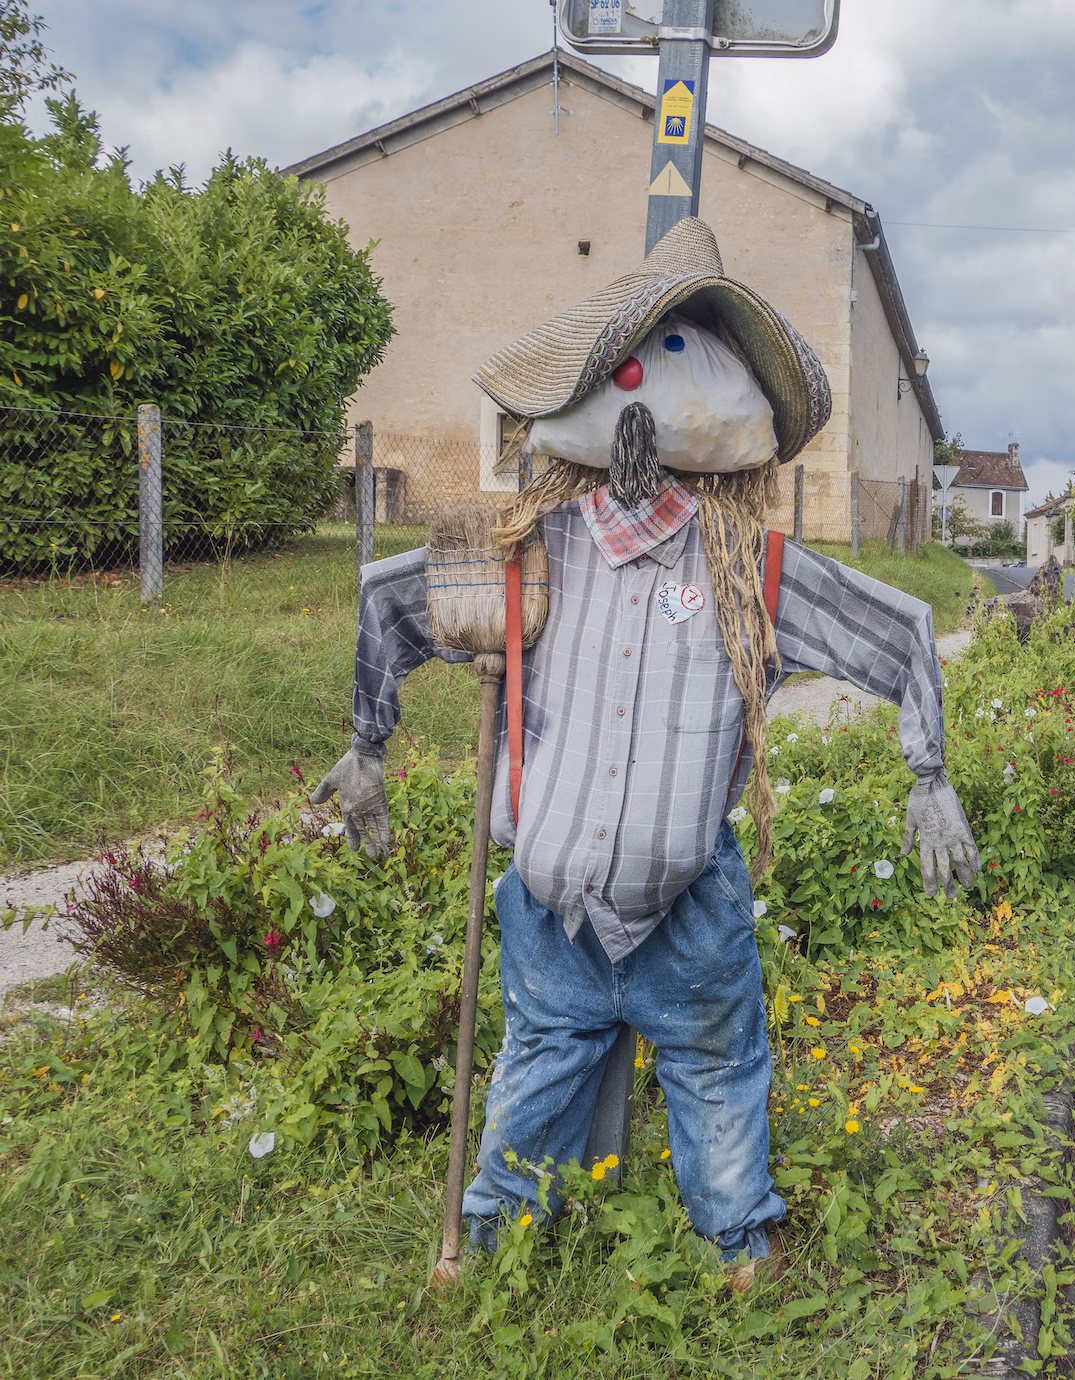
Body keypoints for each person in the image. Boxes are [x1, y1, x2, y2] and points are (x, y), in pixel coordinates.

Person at [312, 218, 979, 1283]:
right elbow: (386, 600)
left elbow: (896, 631)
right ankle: (496, 1238)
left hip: (689, 912)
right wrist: (367, 745)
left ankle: (735, 1247)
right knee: (539, 1058)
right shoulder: (524, 553)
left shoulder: (754, 572)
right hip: (548, 906)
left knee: (716, 1072)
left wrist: (929, 773)